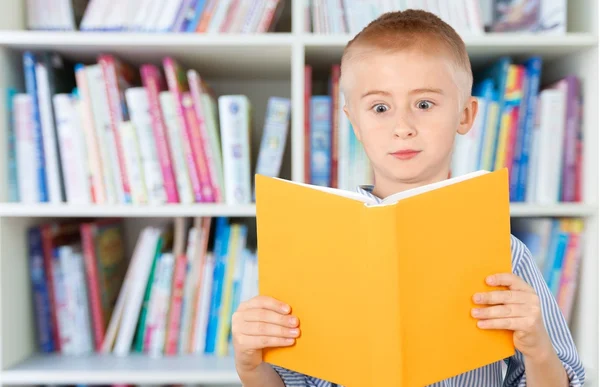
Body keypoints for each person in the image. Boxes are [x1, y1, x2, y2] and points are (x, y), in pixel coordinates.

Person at [230, 9, 586, 387]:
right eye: (380, 108)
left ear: (465, 115)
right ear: (354, 123)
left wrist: (538, 349)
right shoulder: (313, 250)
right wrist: (251, 367)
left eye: (424, 104)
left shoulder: (504, 252)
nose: (402, 128)